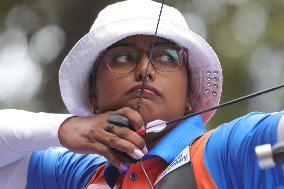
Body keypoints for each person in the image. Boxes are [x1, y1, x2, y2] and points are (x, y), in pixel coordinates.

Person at [0, 0, 284, 188]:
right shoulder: (76, 174)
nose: (145, 69)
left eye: (167, 57)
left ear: (189, 94)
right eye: (123, 58)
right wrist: (64, 128)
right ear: (93, 93)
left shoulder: (227, 152)